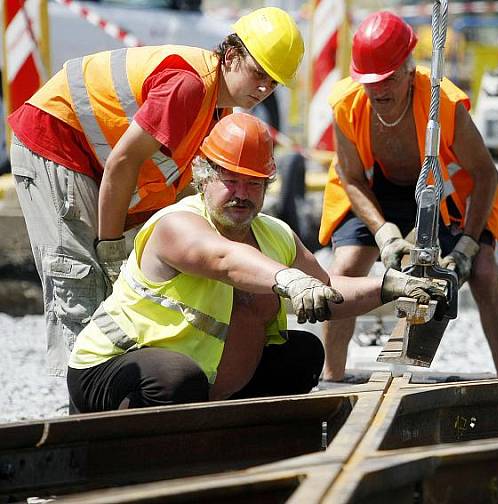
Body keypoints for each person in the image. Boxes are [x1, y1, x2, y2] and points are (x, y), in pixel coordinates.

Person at [67, 113, 444, 412]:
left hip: (206, 376)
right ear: (204, 177)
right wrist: (290, 280)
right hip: (113, 366)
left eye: (254, 184)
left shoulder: (274, 234)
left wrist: (390, 286)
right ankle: (142, 452)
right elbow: (223, 259)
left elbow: (327, 290)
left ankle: (228, 428)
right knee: (176, 380)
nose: (242, 195)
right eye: (231, 180)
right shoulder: (177, 224)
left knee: (303, 355)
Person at [8, 7, 305, 378]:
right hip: (54, 140)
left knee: (126, 287)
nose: (264, 89)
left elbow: (170, 189)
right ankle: (82, 410)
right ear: (231, 55)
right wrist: (112, 247)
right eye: (259, 73)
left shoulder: (217, 111)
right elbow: (122, 164)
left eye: (273, 82)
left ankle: (119, 398)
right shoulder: (189, 86)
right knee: (78, 277)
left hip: (90, 156)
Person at [319, 11, 498, 381]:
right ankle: (331, 378)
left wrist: (467, 247)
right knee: (345, 267)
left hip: (445, 191)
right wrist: (384, 233)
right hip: (376, 189)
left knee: (486, 273)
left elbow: (486, 175)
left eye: (388, 79)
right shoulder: (346, 104)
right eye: (369, 82)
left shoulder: (444, 103)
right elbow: (349, 176)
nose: (379, 91)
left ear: (409, 70)